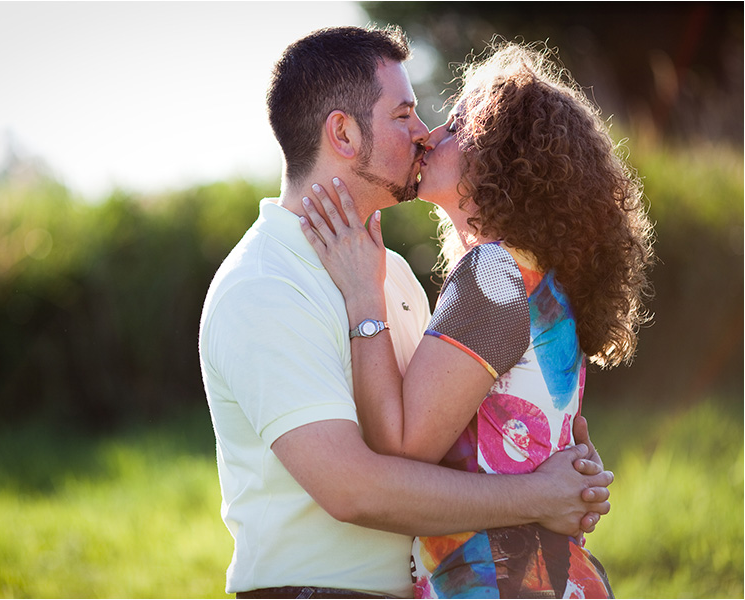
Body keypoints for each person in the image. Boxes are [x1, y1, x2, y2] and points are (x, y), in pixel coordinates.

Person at [199, 27, 614, 599]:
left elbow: (437, 433)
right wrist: (542, 493)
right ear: (342, 132)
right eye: (404, 115)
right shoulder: (263, 285)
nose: (426, 134)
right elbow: (355, 488)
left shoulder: (390, 272)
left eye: (446, 123)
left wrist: (554, 464)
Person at [299, 41, 653, 598]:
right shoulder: (532, 280)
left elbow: (400, 449)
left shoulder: (495, 275)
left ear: (503, 156)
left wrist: (363, 300)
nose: (430, 134)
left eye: (459, 124)